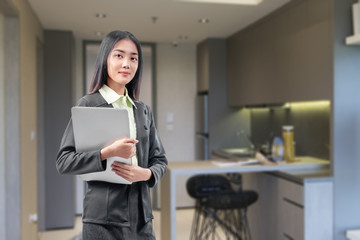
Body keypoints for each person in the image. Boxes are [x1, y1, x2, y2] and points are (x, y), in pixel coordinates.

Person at [56, 30, 168, 240]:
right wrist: (106, 153)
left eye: (133, 58)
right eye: (119, 55)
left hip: (142, 219)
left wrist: (145, 174)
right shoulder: (88, 105)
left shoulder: (143, 110)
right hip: (102, 221)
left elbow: (160, 160)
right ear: (105, 59)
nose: (127, 63)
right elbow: (64, 161)